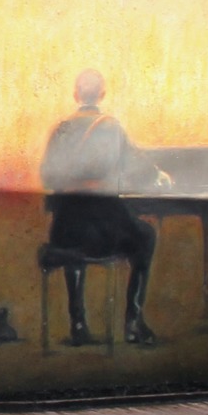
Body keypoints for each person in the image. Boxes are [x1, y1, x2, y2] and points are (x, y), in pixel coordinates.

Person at [36, 70, 165, 347]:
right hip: (104, 238)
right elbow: (140, 169)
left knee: (74, 244)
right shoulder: (111, 128)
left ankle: (78, 324)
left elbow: (47, 177)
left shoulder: (61, 129)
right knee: (146, 236)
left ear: (75, 95)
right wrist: (156, 175)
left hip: (64, 235)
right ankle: (133, 324)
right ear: (102, 94)